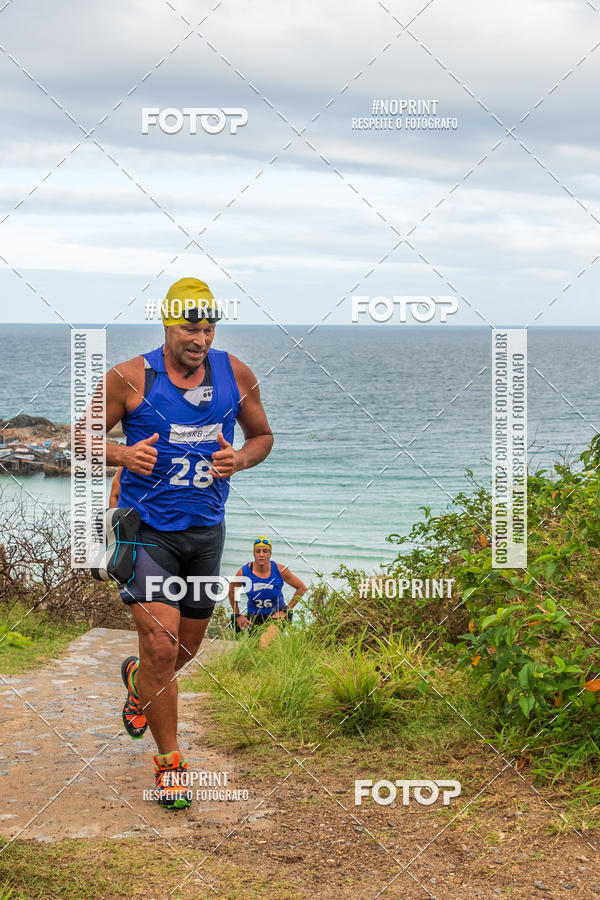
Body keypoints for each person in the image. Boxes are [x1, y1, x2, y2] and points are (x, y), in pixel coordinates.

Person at [103, 277, 273, 809]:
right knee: (159, 643)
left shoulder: (235, 373)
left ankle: (141, 687)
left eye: (208, 327)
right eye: (189, 328)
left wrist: (238, 459)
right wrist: (122, 456)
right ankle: (170, 764)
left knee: (183, 650)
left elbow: (262, 436)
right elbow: (79, 437)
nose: (199, 338)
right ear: (166, 324)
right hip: (146, 531)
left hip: (204, 534)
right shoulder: (130, 378)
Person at [229, 536, 306, 649]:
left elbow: (301, 588)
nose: (261, 554)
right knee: (254, 650)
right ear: (254, 553)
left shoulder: (280, 570)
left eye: (265, 551)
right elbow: (232, 591)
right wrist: (237, 614)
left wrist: (286, 610)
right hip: (254, 617)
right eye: (258, 551)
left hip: (277, 615)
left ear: (270, 553)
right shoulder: (244, 572)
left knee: (263, 645)